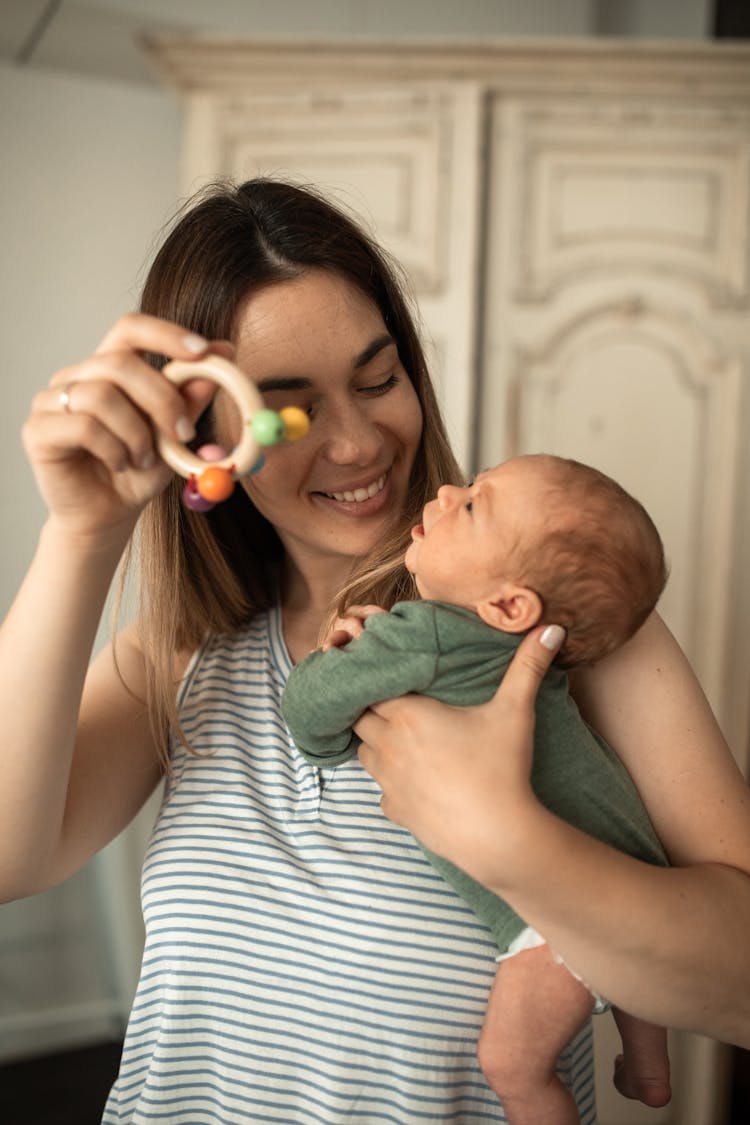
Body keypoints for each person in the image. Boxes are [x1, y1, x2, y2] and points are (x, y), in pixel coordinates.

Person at [0, 178, 748, 1125]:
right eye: (293, 409)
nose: (358, 444)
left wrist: (511, 841)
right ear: (204, 438)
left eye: (378, 378)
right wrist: (81, 530)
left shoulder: (544, 621)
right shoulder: (183, 653)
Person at [281, 452, 672, 1123]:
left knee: (513, 1067)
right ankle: (649, 1066)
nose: (445, 491)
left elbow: (312, 720)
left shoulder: (425, 633)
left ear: (509, 604)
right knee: (637, 977)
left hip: (551, 923)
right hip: (639, 868)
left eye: (471, 505)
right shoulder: (525, 654)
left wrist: (331, 659)